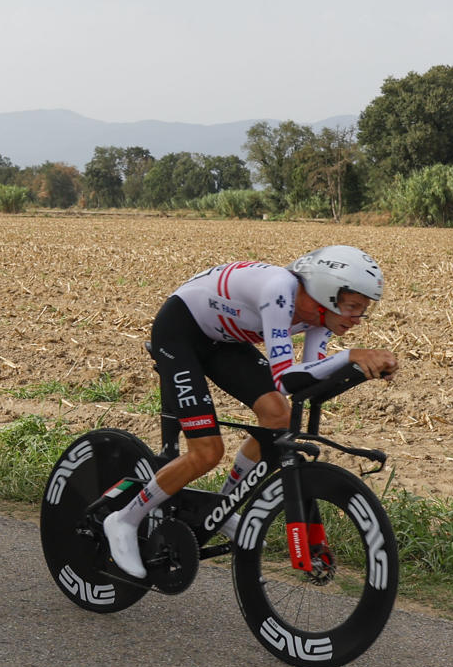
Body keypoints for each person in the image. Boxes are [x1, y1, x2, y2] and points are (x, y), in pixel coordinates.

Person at [103, 246, 400, 580]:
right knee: (207, 452)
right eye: (353, 307)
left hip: (223, 341)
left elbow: (310, 377)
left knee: (278, 416)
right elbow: (286, 379)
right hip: (180, 331)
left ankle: (222, 508)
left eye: (363, 309)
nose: (358, 318)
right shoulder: (279, 290)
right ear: (327, 292)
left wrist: (359, 371)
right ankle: (124, 519)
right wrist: (351, 357)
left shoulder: (321, 317)